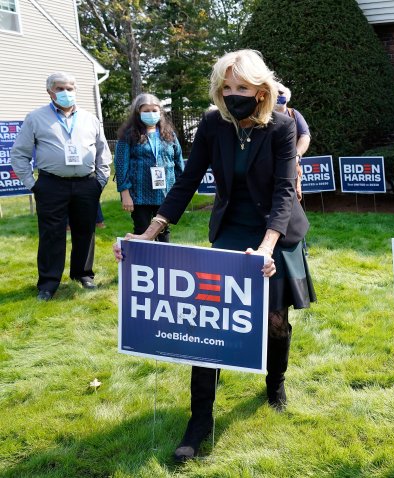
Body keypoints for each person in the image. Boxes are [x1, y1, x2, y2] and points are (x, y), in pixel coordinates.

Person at [112, 50, 315, 462]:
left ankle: (274, 384)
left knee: (276, 321)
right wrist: (150, 233)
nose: (233, 94)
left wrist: (266, 247)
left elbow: (282, 191)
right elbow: (187, 180)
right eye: (227, 87)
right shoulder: (211, 123)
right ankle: (199, 421)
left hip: (275, 229)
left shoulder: (282, 124)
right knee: (210, 323)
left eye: (242, 87)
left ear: (261, 90)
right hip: (230, 228)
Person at [10, 72, 111, 301]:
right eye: (60, 88)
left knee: (85, 231)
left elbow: (103, 152)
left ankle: (83, 274)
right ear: (49, 91)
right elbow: (19, 154)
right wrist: (33, 185)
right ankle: (48, 284)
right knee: (51, 235)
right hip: (51, 184)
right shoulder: (35, 118)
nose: (66, 92)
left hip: (87, 184)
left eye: (70, 87)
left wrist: (100, 181)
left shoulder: (90, 119)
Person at [114, 93, 184, 242]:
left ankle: (164, 263)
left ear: (160, 112)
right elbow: (121, 166)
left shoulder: (169, 134)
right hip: (139, 195)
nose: (151, 114)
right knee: (142, 231)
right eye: (146, 110)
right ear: (138, 113)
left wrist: (180, 191)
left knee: (163, 232)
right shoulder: (129, 135)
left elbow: (178, 162)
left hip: (165, 194)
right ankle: (142, 263)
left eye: (154, 110)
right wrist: (125, 194)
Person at [273, 83, 311, 201]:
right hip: (267, 166)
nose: (278, 96)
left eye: (281, 93)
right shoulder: (263, 115)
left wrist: (297, 155)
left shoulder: (294, 114)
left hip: (290, 166)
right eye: (274, 93)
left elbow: (305, 135)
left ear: (287, 96)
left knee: (292, 199)